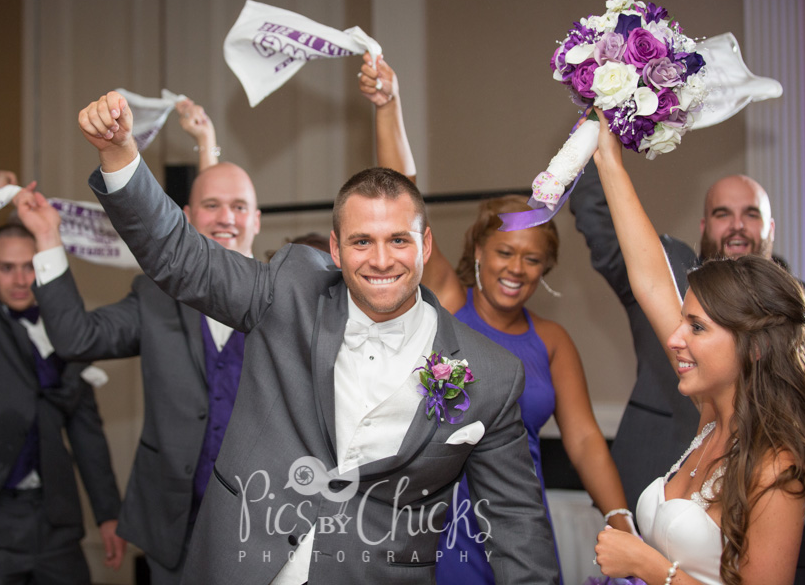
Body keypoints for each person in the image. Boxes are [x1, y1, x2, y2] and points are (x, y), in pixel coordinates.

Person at [76, 90, 559, 584]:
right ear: (335, 247)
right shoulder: (290, 292)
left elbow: (517, 526)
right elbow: (181, 256)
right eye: (361, 241)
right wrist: (118, 155)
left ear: (426, 244)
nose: (381, 259)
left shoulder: (492, 375)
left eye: (398, 240)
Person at [358, 53, 632, 583]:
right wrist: (388, 106)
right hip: (437, 518)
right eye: (505, 252)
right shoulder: (447, 302)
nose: (516, 268)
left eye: (532, 259)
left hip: (515, 517)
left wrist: (618, 517)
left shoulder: (552, 341)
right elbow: (400, 196)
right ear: (478, 251)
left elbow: (583, 440)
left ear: (545, 269)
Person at [13, 102, 261, 585]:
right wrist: (46, 237)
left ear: (257, 218)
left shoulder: (284, 298)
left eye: (239, 207)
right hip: (172, 528)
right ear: (187, 216)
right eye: (211, 206)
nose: (226, 217)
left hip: (263, 527)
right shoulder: (155, 296)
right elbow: (75, 337)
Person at [569, 133, 805, 584]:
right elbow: (651, 281)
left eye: (696, 328)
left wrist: (646, 565)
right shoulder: (712, 420)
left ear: (753, 347)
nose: (675, 339)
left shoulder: (778, 466)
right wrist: (608, 161)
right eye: (682, 320)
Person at [0, 172, 124, 584]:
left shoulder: (68, 326)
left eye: (29, 267)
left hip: (55, 515)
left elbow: (87, 432)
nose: (19, 279)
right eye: (6, 268)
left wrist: (108, 514)